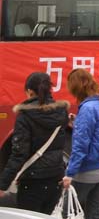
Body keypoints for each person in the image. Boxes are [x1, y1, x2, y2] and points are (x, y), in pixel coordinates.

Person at [0, 72, 69, 214]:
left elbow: (19, 154)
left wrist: (3, 184)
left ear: (30, 91)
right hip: (56, 178)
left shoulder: (25, 116)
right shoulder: (61, 113)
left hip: (32, 181)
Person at [62, 69, 99, 219]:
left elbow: (80, 146)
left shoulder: (87, 109)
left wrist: (69, 173)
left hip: (86, 172)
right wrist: (78, 122)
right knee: (93, 213)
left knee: (67, 213)